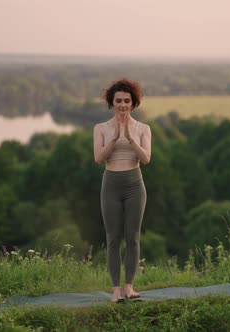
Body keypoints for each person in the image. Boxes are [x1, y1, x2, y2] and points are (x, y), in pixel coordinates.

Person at [93, 78, 152, 302]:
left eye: (127, 100)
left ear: (133, 103)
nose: (123, 105)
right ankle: (116, 289)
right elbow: (99, 158)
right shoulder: (101, 128)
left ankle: (129, 287)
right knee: (113, 238)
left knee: (133, 237)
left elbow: (146, 158)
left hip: (134, 185)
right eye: (118, 100)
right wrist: (116, 137)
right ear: (112, 102)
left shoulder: (143, 128)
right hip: (111, 184)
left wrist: (129, 138)